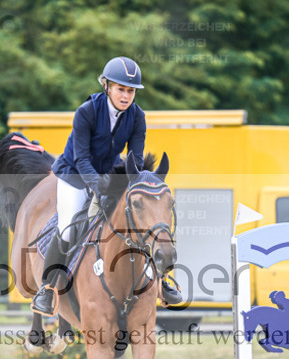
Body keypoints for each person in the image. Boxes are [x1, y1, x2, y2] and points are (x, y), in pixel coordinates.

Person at [31, 56, 183, 315]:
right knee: (69, 228)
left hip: (109, 174)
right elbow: (81, 159)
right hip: (74, 176)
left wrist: (133, 186)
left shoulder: (137, 116)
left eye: (131, 91)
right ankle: (47, 289)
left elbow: (134, 160)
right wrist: (99, 188)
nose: (126, 96)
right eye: (121, 89)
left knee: (138, 224)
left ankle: (163, 280)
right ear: (107, 86)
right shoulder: (87, 112)